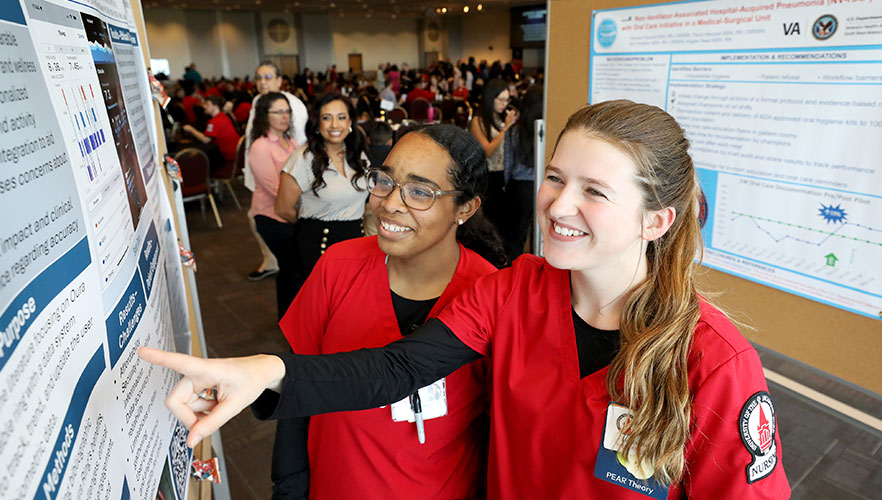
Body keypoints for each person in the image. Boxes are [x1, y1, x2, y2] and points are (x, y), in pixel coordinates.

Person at [140, 100, 791, 499]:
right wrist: (263, 373)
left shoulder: (715, 364)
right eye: (557, 178)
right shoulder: (515, 291)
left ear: (657, 221)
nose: (559, 206)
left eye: (595, 191)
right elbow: (396, 369)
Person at [271, 124, 507, 500]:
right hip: (334, 485)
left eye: (419, 192)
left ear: (465, 208)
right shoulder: (338, 266)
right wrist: (289, 486)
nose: (390, 203)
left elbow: (497, 432)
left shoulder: (491, 295)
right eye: (384, 181)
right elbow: (296, 389)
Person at [273, 92, 368, 310]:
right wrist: (314, 223)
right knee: (325, 307)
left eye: (341, 117)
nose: (335, 124)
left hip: (355, 240)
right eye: (327, 118)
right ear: (317, 123)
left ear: (351, 121)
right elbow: (283, 208)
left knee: (351, 306)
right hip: (320, 243)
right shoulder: (304, 157)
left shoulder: (356, 154)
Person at [243, 61, 309, 281]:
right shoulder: (257, 102)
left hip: (287, 192)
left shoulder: (293, 105)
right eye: (259, 78)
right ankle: (271, 263)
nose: (262, 82)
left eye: (268, 77)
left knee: (293, 266)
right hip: (268, 182)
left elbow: (299, 150)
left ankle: (273, 263)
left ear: (280, 80)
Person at [247, 92, 297, 320]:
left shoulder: (292, 142)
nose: (284, 116)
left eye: (287, 111)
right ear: (265, 116)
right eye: (278, 112)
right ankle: (288, 318)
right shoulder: (260, 146)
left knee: (295, 268)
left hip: (293, 212)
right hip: (271, 217)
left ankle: (294, 315)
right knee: (291, 267)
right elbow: (275, 189)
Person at [469, 79, 518, 242]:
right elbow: (487, 150)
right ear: (491, 98)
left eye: (507, 100)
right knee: (491, 221)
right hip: (489, 176)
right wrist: (506, 128)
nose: (505, 104)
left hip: (505, 174)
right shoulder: (478, 121)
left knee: (504, 222)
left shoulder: (499, 118)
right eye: (501, 100)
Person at [501, 84, 543, 261]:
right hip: (540, 183)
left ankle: (514, 270)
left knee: (516, 235)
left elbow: (508, 162)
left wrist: (505, 183)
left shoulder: (514, 130)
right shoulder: (544, 128)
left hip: (518, 187)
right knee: (538, 234)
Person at [182, 95, 240, 165]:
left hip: (228, 156)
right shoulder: (223, 116)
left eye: (207, 104)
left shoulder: (214, 122)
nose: (204, 106)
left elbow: (205, 140)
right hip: (237, 152)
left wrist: (191, 129)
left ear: (215, 107)